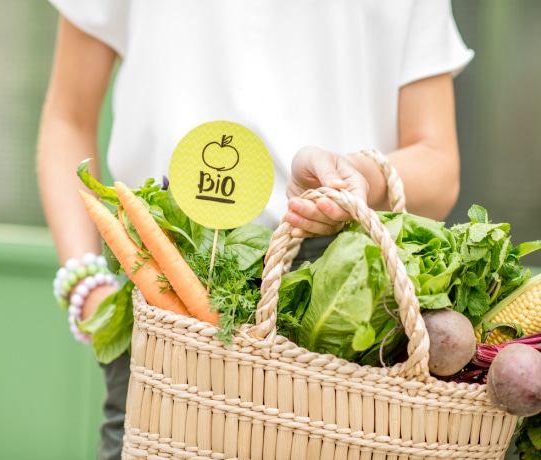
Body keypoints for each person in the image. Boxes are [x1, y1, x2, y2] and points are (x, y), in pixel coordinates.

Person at [37, 1, 473, 458]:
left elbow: (438, 164)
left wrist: (355, 175)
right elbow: (69, 118)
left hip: (336, 292)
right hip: (166, 278)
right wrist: (85, 283)